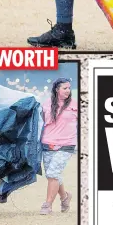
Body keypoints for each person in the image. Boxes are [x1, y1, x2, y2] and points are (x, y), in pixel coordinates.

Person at [39, 77, 77, 215]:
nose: (68, 90)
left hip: (66, 144)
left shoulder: (75, 104)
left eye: (69, 88)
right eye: (64, 88)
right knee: (53, 175)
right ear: (57, 89)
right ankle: (65, 197)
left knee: (53, 173)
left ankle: (47, 205)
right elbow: (41, 122)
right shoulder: (46, 104)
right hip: (47, 143)